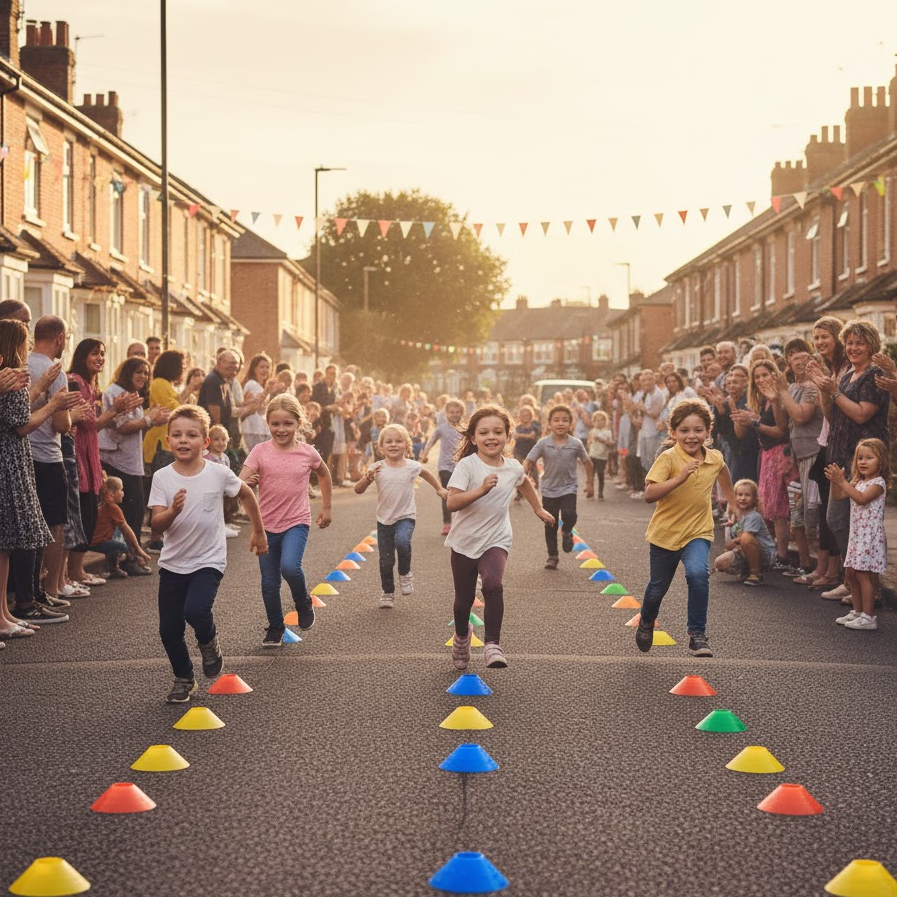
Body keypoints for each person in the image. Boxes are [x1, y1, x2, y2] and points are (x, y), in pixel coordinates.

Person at [149, 405, 267, 702]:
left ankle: (208, 640)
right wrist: (174, 510)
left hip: (208, 560)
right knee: (169, 628)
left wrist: (259, 530)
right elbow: (156, 525)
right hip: (173, 562)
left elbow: (246, 493)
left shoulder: (218, 473)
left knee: (196, 610)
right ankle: (184, 677)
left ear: (204, 442)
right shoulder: (162, 477)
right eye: (177, 435)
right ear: (167, 441)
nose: (183, 440)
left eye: (191, 435)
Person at [446, 406, 554, 670]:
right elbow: (452, 502)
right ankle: (462, 637)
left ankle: (492, 644)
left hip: (497, 538)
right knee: (463, 602)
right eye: (484, 432)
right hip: (464, 541)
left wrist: (537, 508)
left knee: (493, 585)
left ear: (508, 436)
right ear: (473, 438)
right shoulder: (467, 465)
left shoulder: (513, 467)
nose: (491, 437)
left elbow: (524, 482)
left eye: (498, 431)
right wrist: (481, 490)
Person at [635, 399, 736, 658]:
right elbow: (649, 494)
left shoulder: (714, 458)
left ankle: (697, 635)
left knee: (697, 574)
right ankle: (646, 621)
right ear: (673, 433)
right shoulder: (668, 458)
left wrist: (732, 503)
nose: (692, 436)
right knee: (657, 588)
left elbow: (723, 473)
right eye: (684, 430)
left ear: (708, 432)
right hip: (665, 534)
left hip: (698, 532)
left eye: (698, 430)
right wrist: (680, 477)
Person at [2, 320, 80, 629]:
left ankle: (16, 607)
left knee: (14, 540)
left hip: (21, 458)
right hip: (23, 459)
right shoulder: (21, 374)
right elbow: (24, 424)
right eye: (23, 344)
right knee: (24, 535)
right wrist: (58, 405)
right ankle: (30, 599)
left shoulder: (18, 374)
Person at [239, 394, 332, 647]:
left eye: (288, 423)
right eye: (276, 424)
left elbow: (324, 474)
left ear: (298, 423)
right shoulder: (260, 451)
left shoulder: (307, 452)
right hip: (265, 525)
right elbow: (239, 482)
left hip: (296, 521)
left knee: (290, 567)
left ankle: (303, 601)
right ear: (268, 423)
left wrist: (326, 506)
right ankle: (275, 627)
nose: (281, 429)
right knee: (269, 581)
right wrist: (245, 483)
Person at [68, 339, 144, 587]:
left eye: (102, 353)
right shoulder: (75, 381)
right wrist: (116, 410)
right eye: (94, 353)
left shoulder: (92, 386)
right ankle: (71, 574)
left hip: (90, 457)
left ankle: (77, 572)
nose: (100, 357)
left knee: (87, 516)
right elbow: (88, 426)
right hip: (77, 456)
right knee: (78, 516)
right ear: (82, 356)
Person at [355, 423, 447, 608]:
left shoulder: (412, 466)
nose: (393, 445)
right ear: (381, 447)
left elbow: (427, 474)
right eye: (388, 441)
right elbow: (358, 489)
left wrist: (439, 489)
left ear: (407, 445)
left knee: (403, 542)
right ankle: (388, 592)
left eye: (399, 441)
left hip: (406, 515)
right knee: (386, 560)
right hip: (384, 520)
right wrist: (367, 478)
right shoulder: (377, 467)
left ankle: (405, 573)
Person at [100, 356, 170, 573]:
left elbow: (134, 427)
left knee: (133, 511)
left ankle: (126, 559)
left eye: (146, 373)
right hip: (116, 460)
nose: (143, 376)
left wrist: (151, 418)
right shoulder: (115, 392)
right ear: (127, 372)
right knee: (128, 511)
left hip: (130, 460)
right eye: (139, 372)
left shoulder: (133, 394)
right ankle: (127, 559)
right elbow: (121, 426)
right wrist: (150, 420)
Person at [731, 359, 794, 570]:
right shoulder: (763, 400)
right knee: (769, 507)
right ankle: (773, 552)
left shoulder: (777, 398)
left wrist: (755, 422)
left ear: (774, 375)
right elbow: (743, 432)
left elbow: (780, 430)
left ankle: (783, 556)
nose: (761, 380)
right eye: (757, 377)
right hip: (766, 454)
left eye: (765, 375)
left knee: (778, 509)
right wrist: (748, 418)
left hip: (780, 456)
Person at [826, 439, 888, 631]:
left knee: (863, 575)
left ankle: (869, 617)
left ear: (881, 461)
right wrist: (837, 482)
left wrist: (843, 481)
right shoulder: (858, 481)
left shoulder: (878, 484)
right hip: (857, 535)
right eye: (860, 458)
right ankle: (858, 611)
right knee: (851, 574)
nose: (863, 461)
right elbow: (839, 496)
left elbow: (861, 499)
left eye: (870, 458)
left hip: (869, 537)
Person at [523, 404, 593, 570]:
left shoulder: (576, 444)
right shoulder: (543, 443)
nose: (560, 423)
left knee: (569, 514)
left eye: (565, 420)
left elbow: (587, 463)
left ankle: (567, 531)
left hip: (569, 487)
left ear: (571, 424)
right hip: (548, 489)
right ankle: (552, 556)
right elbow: (529, 459)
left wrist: (590, 483)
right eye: (556, 420)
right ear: (549, 423)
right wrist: (523, 472)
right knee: (550, 523)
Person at [776, 340, 823, 578]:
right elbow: (784, 423)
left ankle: (823, 569)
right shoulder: (793, 387)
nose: (802, 364)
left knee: (812, 514)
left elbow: (802, 416)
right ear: (790, 364)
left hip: (814, 455)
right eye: (797, 361)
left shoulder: (813, 388)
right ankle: (805, 565)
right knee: (798, 517)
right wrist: (777, 396)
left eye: (806, 360)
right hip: (796, 456)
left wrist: (782, 391)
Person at [713, 479, 776, 586]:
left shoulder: (754, 516)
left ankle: (755, 573)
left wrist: (733, 543)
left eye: (747, 495)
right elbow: (731, 543)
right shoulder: (738, 517)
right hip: (744, 551)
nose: (743, 498)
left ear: (754, 498)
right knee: (719, 562)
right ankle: (746, 570)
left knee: (746, 537)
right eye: (739, 495)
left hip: (764, 555)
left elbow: (744, 539)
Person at [90, 476, 153, 578]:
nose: (123, 493)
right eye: (121, 490)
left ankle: (124, 561)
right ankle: (113, 568)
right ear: (111, 492)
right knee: (121, 545)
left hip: (94, 541)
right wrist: (138, 550)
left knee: (119, 532)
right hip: (97, 543)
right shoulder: (112, 507)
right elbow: (126, 529)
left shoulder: (105, 505)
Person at [421, 397, 464, 535]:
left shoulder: (465, 429)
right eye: (451, 412)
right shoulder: (441, 429)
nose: (454, 414)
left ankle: (462, 522)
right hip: (444, 465)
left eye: (457, 412)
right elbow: (431, 440)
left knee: (462, 493)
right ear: (446, 413)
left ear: (462, 413)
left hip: (462, 466)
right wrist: (425, 454)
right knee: (447, 493)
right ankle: (447, 523)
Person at [511, 404, 542, 495]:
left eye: (527, 415)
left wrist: (520, 435)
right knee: (520, 471)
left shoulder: (534, 425)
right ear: (520, 416)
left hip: (531, 450)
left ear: (531, 415)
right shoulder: (518, 427)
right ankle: (520, 492)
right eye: (523, 415)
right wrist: (523, 436)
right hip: (519, 450)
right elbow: (514, 436)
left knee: (533, 470)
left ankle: (535, 488)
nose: (525, 417)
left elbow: (532, 436)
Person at [586, 410, 614, 500]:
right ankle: (590, 490)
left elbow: (610, 443)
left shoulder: (608, 432)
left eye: (602, 420)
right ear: (594, 422)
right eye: (597, 420)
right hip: (593, 454)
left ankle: (600, 492)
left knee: (600, 473)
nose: (600, 422)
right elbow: (589, 442)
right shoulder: (592, 431)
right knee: (591, 474)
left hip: (603, 456)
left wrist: (603, 441)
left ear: (605, 421)